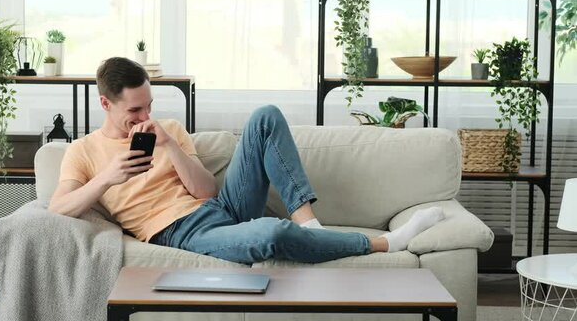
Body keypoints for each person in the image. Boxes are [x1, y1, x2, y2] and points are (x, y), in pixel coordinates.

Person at [48, 57, 445, 264]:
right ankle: (384, 243)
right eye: (135, 109)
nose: (144, 116)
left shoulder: (165, 129)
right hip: (179, 233)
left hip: (220, 207)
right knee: (270, 234)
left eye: (149, 105)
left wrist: (168, 145)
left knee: (266, 116)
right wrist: (107, 178)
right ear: (105, 103)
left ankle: (310, 224)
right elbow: (59, 206)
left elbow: (205, 190)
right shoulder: (83, 151)